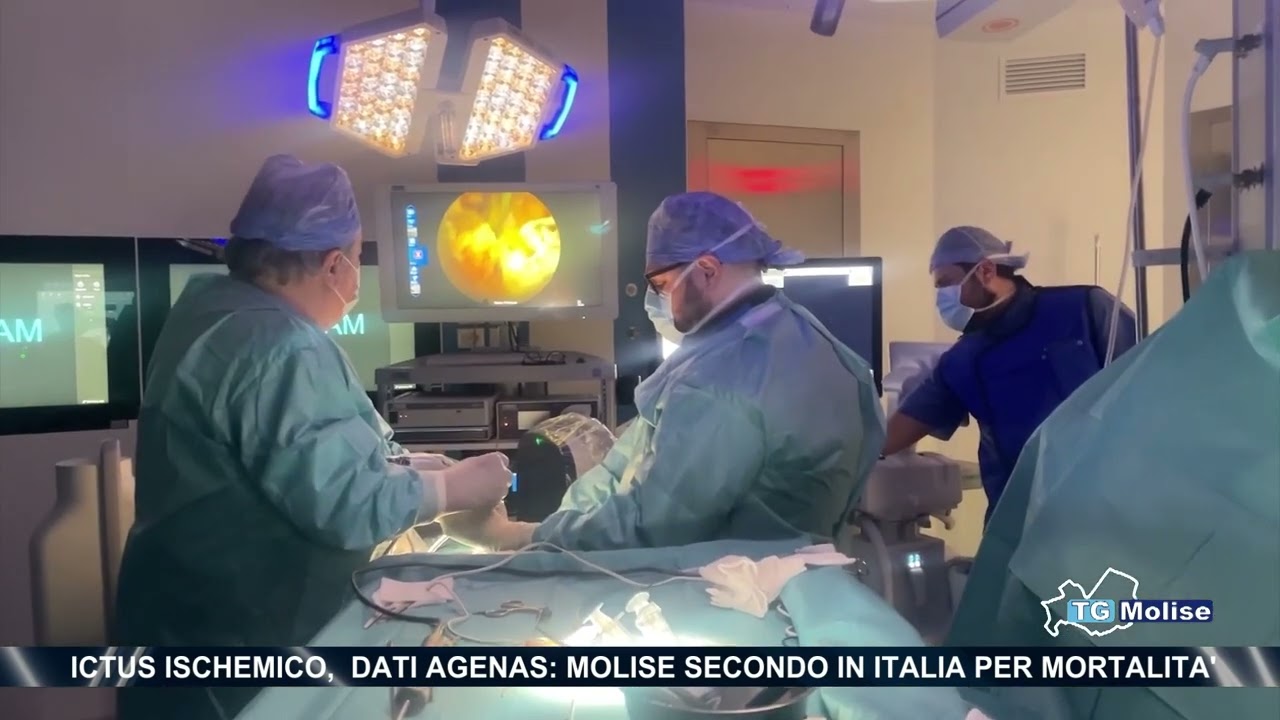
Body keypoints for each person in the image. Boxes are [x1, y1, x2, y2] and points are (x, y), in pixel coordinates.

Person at [114, 156, 512, 718]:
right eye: (357, 258)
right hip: (240, 651)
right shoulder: (282, 347)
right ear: (333, 264)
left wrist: (408, 466)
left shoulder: (213, 311)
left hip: (178, 626)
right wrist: (452, 491)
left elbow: (297, 453)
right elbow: (343, 504)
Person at [442, 191, 885, 551]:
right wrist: (560, 522)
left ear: (707, 270)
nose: (656, 299)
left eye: (661, 285)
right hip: (790, 578)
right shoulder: (802, 339)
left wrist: (515, 538)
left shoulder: (722, 379)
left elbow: (652, 525)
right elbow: (626, 462)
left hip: (734, 595)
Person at [881, 226, 1137, 525]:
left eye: (946, 283)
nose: (941, 298)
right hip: (1018, 523)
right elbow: (893, 433)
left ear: (985, 271)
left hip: (1107, 509)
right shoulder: (962, 360)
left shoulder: (1085, 309)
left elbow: (1151, 389)